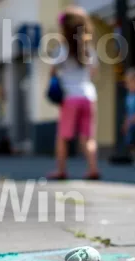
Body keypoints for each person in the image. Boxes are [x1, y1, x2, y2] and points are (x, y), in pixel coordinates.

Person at [47, 6, 100, 181]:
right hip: (88, 95)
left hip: (70, 97)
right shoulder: (88, 50)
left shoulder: (61, 50)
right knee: (88, 137)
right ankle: (92, 168)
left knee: (63, 136)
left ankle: (61, 170)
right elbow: (93, 72)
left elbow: (53, 72)